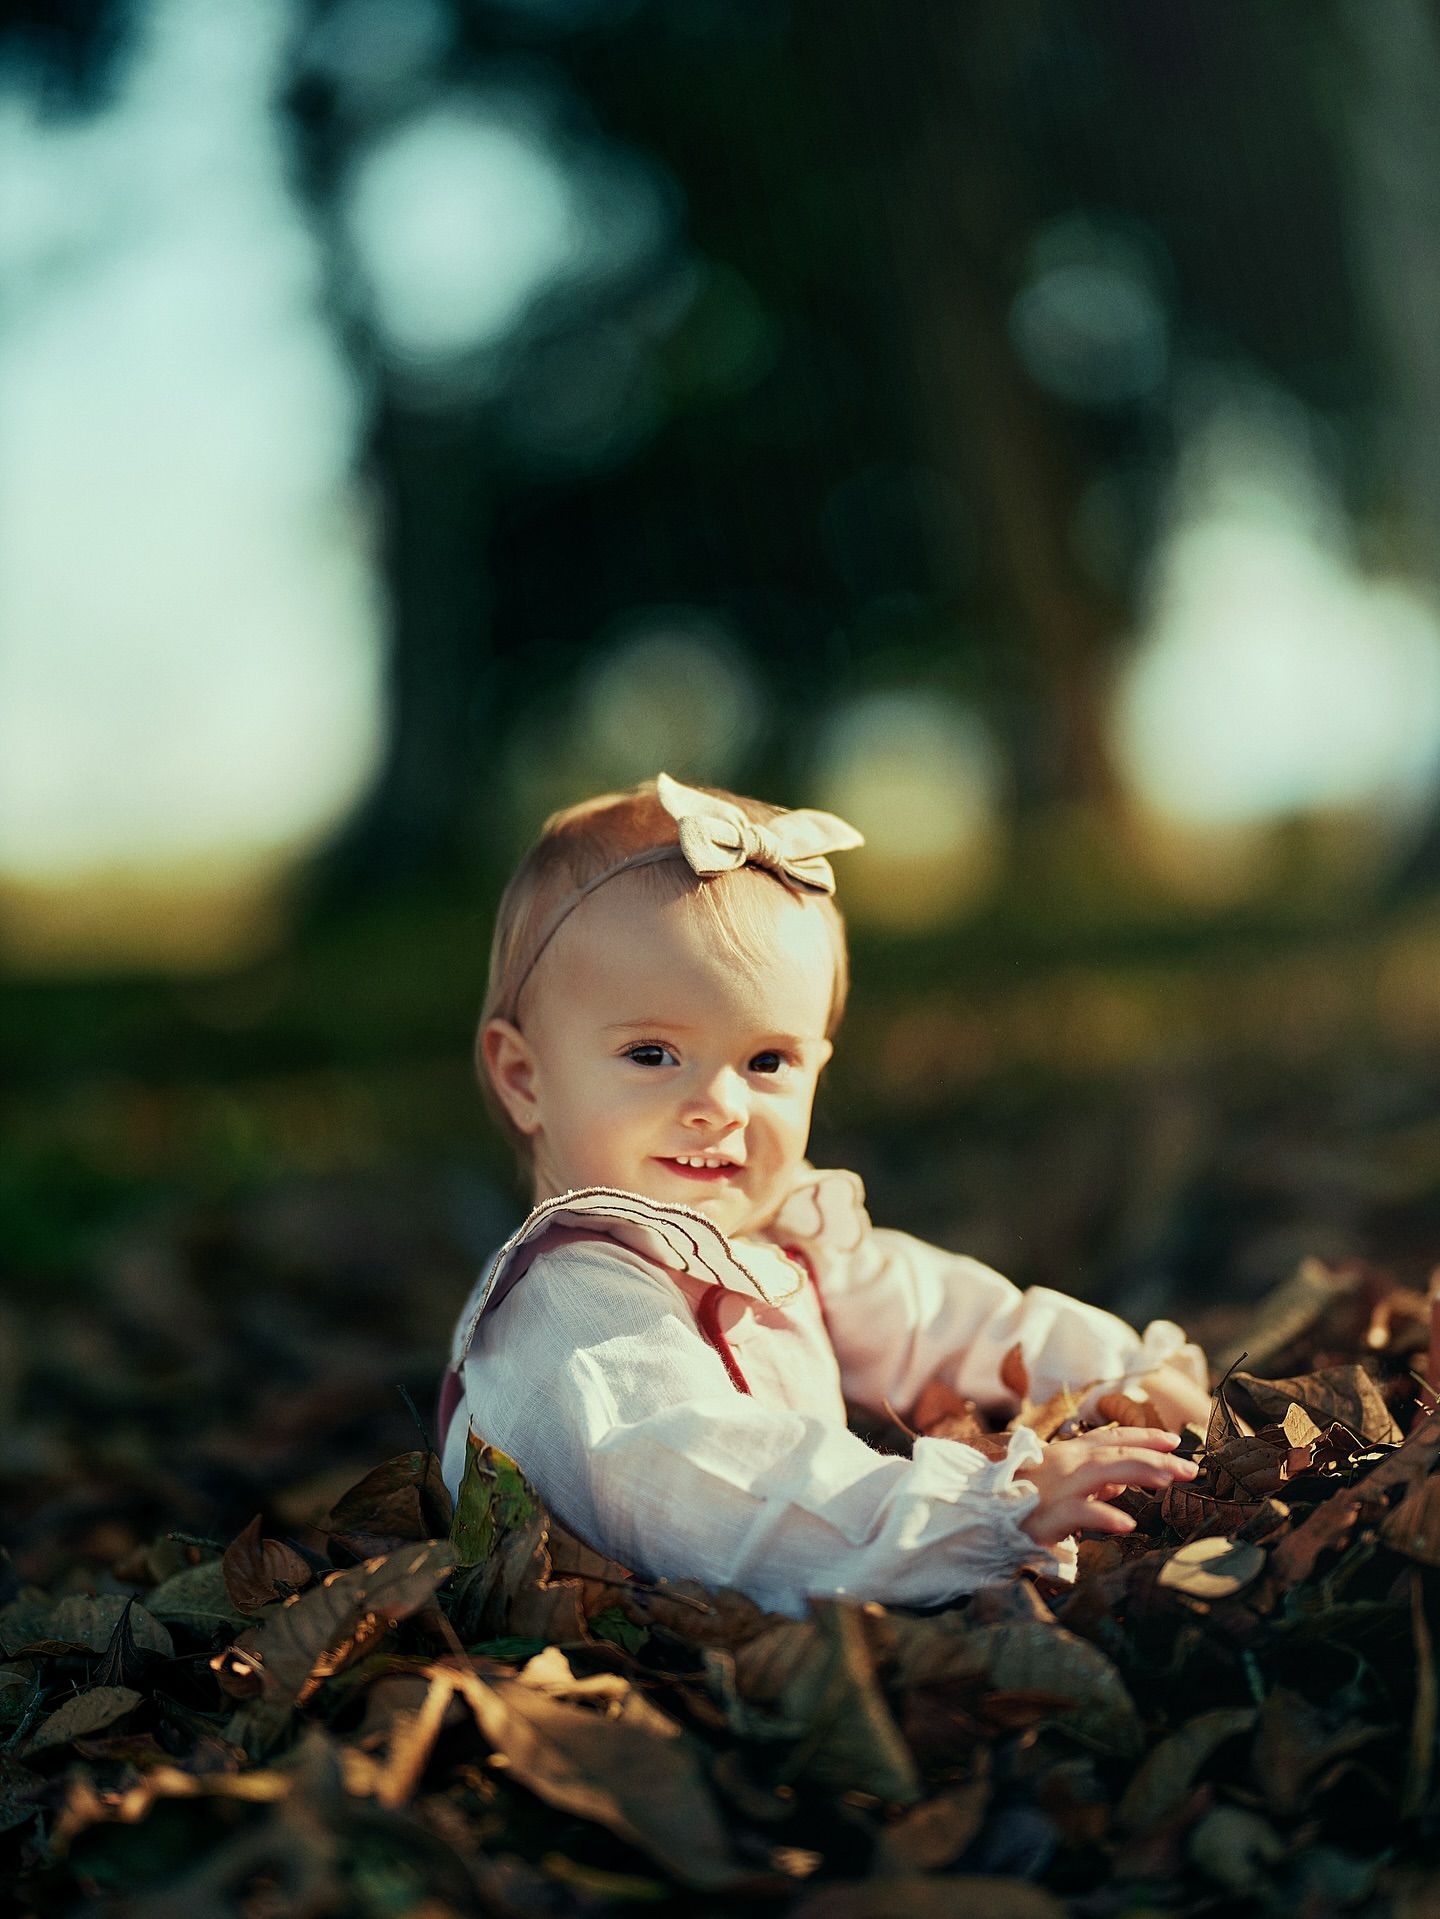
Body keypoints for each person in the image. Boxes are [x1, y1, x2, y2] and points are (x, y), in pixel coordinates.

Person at [437, 773, 1211, 1617]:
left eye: (767, 1061)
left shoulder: (778, 1238)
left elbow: (937, 1311)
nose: (721, 1105)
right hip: (673, 1635)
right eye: (652, 1054)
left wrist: (1112, 1374)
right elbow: (725, 1488)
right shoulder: (576, 1310)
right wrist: (993, 1504)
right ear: (525, 1078)